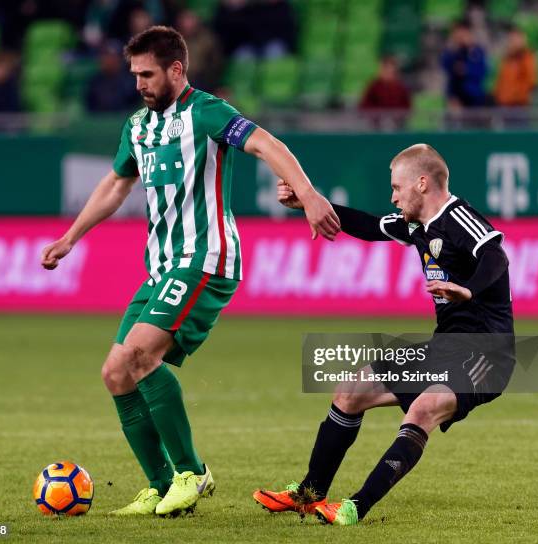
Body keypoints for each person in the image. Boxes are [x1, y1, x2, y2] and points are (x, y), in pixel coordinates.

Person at [40, 25, 339, 518]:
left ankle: (192, 473)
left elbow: (266, 145)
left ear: (177, 69)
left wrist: (307, 194)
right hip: (160, 266)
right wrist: (71, 237)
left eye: (148, 74)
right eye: (135, 74)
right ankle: (161, 488)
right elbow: (117, 185)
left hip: (205, 258)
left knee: (140, 354)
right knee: (117, 372)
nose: (139, 83)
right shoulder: (137, 126)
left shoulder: (206, 112)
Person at [254, 143, 514, 525]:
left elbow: (496, 255)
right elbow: (368, 225)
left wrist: (468, 290)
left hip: (487, 356)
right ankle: (310, 495)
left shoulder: (459, 218)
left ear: (422, 183)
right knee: (350, 390)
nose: (392, 196)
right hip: (445, 347)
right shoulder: (414, 225)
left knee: (422, 409)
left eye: (397, 187)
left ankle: (354, 509)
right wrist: (311, 203)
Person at [440, 20, 489, 109]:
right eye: (457, 32)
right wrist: (452, 48)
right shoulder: (453, 51)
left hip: (474, 97)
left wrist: (466, 69)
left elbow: (482, 71)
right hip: (455, 97)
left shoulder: (477, 50)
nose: (460, 36)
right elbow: (445, 65)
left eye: (463, 32)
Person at [358, 56, 412, 129]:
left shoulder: (401, 87)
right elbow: (365, 106)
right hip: (377, 126)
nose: (388, 72)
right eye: (386, 69)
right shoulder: (374, 86)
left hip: (397, 125)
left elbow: (407, 107)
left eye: (391, 69)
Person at [494, 26, 538, 107]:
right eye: (511, 39)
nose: (513, 41)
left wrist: (518, 95)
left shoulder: (527, 57)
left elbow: (531, 80)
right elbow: (500, 80)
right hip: (503, 102)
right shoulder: (506, 58)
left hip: (519, 103)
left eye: (516, 38)